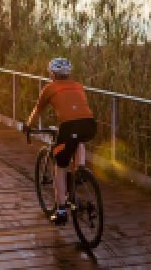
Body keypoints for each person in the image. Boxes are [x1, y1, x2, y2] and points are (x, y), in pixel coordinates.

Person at [25, 57, 97, 225]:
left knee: (60, 165)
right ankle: (79, 170)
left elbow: (38, 109)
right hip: (89, 124)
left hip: (68, 127)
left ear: (52, 74)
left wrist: (28, 126)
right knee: (79, 140)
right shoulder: (78, 85)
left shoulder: (49, 88)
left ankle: (61, 210)